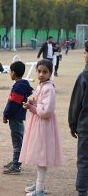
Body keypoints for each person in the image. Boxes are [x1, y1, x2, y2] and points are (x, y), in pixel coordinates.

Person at [20, 59, 64, 196]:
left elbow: (46, 111)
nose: (41, 74)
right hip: (38, 124)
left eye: (45, 72)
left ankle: (39, 190)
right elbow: (38, 99)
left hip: (44, 125)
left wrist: (32, 107)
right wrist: (32, 100)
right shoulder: (42, 86)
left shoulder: (49, 88)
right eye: (39, 71)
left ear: (50, 73)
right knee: (39, 154)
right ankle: (40, 184)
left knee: (42, 156)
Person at [3, 61, 33, 174]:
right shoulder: (21, 85)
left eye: (10, 71)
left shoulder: (18, 87)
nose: (10, 73)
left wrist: (6, 115)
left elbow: (12, 104)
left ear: (14, 73)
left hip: (15, 118)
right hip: (17, 117)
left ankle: (16, 165)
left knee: (17, 143)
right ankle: (15, 161)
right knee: (17, 141)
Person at [68, 41, 88, 196]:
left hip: (85, 126)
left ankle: (82, 191)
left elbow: (76, 104)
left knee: (84, 160)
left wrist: (72, 124)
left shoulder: (84, 77)